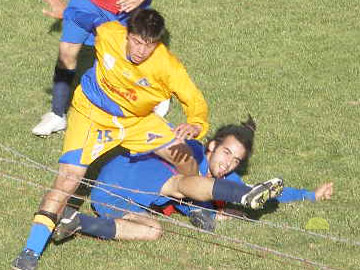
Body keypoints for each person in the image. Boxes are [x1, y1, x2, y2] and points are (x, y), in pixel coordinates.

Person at [13, 9, 209, 270]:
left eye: (149, 45)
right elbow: (81, 15)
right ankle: (30, 252)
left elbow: (194, 98)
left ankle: (194, 203)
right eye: (137, 41)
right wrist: (67, 13)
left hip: (136, 120)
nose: (141, 50)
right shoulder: (108, 33)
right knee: (69, 178)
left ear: (157, 43)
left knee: (183, 155)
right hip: (91, 114)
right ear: (127, 35)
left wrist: (196, 123)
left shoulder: (167, 66)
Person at [51, 116, 332, 243]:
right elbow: (155, 136)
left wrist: (310, 195)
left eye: (236, 160)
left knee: (153, 231)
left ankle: (76, 221)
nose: (228, 163)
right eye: (226, 153)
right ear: (211, 146)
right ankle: (229, 201)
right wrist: (211, 208)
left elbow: (271, 192)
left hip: (112, 200)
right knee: (183, 184)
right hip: (127, 173)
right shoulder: (191, 147)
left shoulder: (224, 177)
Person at [32, 0, 156, 136]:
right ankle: (57, 114)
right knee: (66, 53)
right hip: (85, 4)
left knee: (124, 57)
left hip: (124, 8)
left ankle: (152, 99)